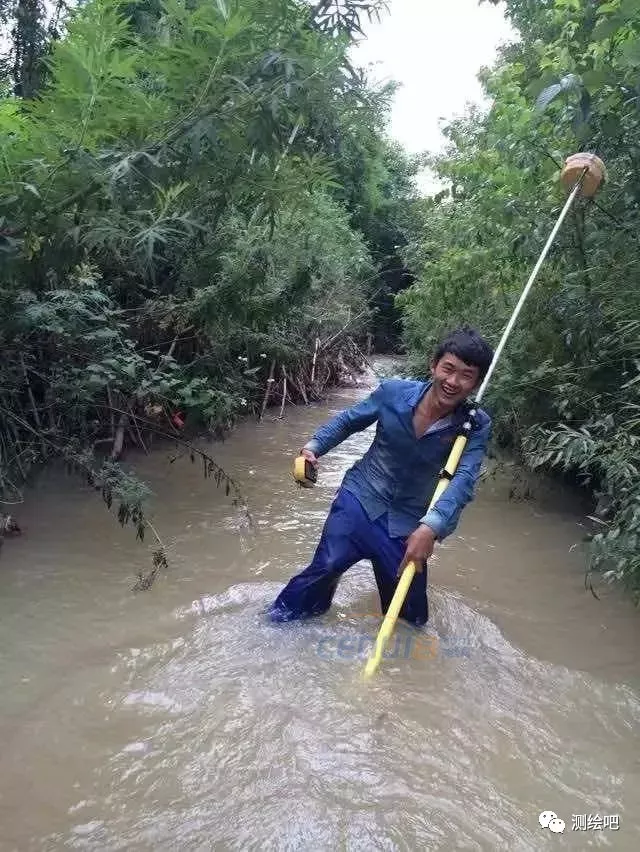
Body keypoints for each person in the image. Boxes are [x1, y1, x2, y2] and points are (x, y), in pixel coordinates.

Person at [268, 326, 494, 627]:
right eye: (448, 369)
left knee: (409, 619)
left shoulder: (475, 426)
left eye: (466, 375)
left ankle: (402, 668)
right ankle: (274, 625)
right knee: (326, 567)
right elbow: (349, 421)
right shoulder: (393, 393)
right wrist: (313, 448)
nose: (453, 381)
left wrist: (431, 527)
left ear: (477, 383)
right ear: (433, 365)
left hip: (410, 524)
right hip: (360, 498)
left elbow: (463, 480)